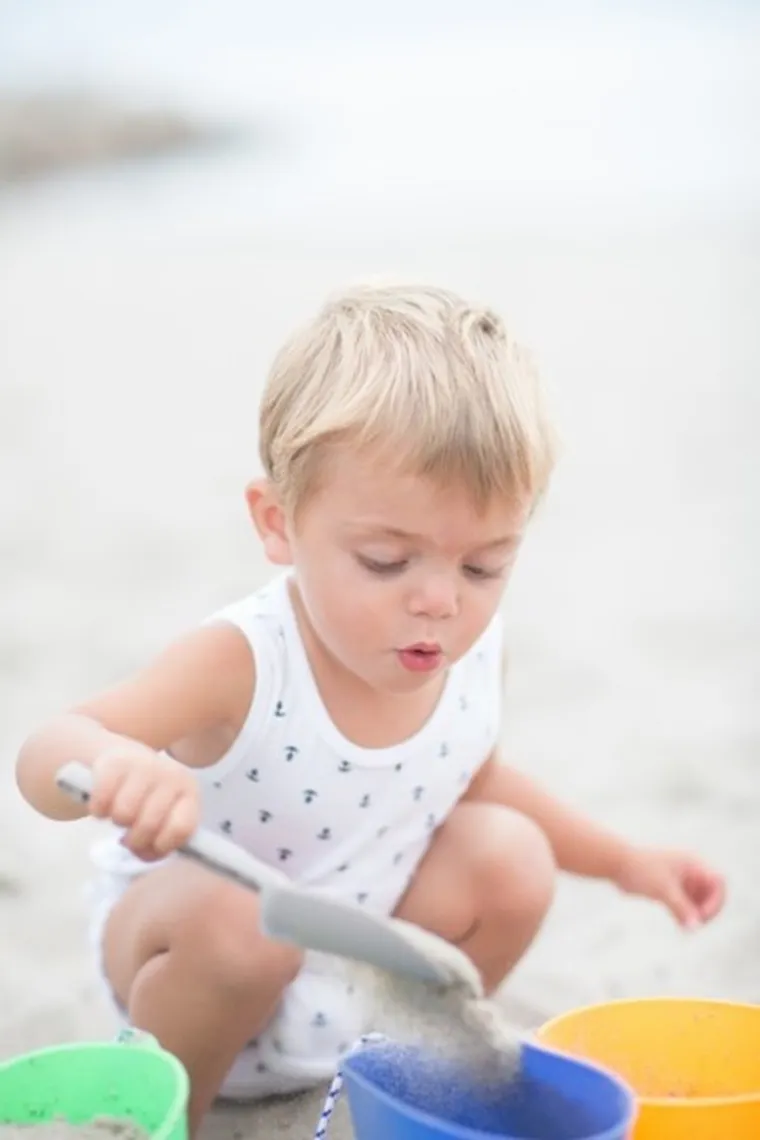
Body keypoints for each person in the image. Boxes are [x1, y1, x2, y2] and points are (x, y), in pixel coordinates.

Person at [15, 282, 725, 1134]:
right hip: (198, 978)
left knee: (512, 860)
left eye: (484, 567)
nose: (440, 602)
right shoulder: (243, 661)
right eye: (388, 560)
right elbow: (47, 750)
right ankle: (174, 1118)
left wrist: (624, 862)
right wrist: (114, 765)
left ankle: (398, 1071)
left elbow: (474, 782)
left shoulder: (472, 652)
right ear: (278, 523)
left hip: (349, 979)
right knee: (241, 924)